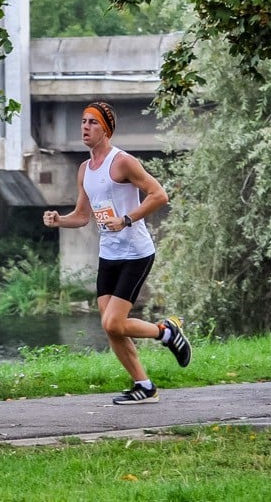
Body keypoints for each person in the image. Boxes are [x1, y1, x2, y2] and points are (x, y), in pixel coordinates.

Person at [42, 101, 191, 405]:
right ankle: (144, 386)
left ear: (106, 129)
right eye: (83, 121)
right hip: (109, 255)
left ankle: (166, 331)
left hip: (136, 253)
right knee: (111, 327)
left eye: (92, 122)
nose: (85, 127)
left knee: (113, 323)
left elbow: (159, 194)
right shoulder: (84, 169)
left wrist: (126, 219)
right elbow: (83, 216)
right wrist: (60, 220)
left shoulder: (122, 162)